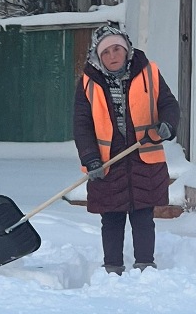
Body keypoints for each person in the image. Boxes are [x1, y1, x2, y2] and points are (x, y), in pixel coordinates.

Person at [73, 22, 180, 274]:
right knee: (111, 217)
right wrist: (91, 159)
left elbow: (168, 104)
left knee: (143, 215)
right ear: (98, 56)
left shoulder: (149, 72)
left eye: (117, 49)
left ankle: (145, 264)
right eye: (106, 52)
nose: (112, 56)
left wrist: (167, 124)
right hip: (107, 160)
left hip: (144, 156)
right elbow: (81, 125)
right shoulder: (88, 82)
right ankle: (112, 266)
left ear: (127, 49)